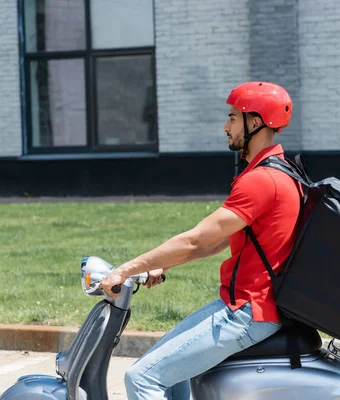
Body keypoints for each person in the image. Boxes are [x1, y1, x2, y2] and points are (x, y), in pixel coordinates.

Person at [99, 81, 302, 400]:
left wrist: (124, 270)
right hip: (246, 305)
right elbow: (218, 242)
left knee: (142, 379)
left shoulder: (262, 180)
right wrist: (160, 264)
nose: (226, 126)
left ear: (256, 123)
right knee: (169, 374)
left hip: (247, 311)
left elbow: (195, 241)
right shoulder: (280, 170)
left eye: (233, 118)